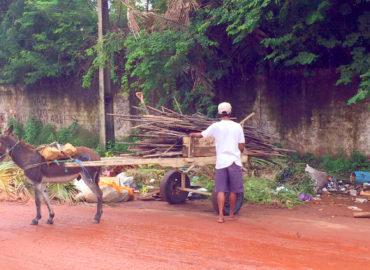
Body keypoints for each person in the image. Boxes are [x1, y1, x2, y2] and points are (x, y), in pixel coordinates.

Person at [189, 102, 245, 223]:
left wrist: (192, 134)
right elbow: (241, 146)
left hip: (221, 162)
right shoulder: (237, 126)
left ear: (219, 113)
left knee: (221, 190)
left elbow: (202, 135)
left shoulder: (216, 126)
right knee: (233, 190)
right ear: (230, 112)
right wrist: (238, 151)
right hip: (234, 161)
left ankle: (220, 216)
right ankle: (231, 215)